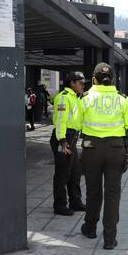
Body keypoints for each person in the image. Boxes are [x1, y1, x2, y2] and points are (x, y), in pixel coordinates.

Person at [80, 63, 128, 249]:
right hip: (115, 149)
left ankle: (90, 228)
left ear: (94, 79)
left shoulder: (86, 98)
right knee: (112, 194)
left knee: (93, 191)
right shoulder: (122, 99)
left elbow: (74, 121)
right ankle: (110, 239)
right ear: (112, 79)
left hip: (92, 149)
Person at [51, 72, 86, 216]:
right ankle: (59, 205)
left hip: (72, 137)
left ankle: (75, 202)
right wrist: (63, 141)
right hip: (64, 139)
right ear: (72, 83)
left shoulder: (76, 98)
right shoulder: (64, 98)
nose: (83, 85)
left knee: (75, 173)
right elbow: (60, 120)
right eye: (81, 83)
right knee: (62, 174)